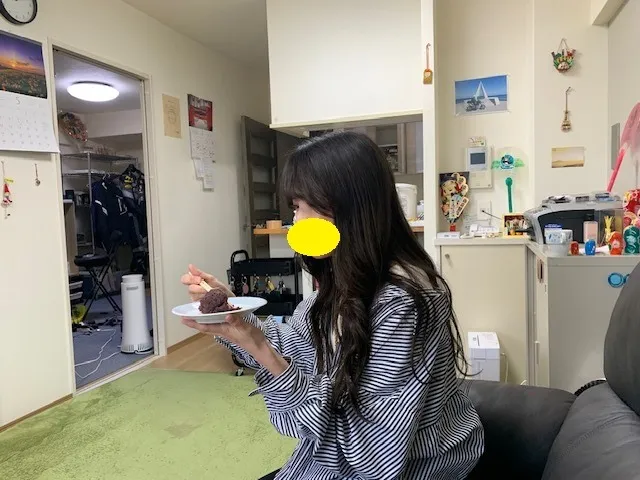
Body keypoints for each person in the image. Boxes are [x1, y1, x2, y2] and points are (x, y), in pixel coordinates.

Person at [180, 131, 484, 479]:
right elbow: (296, 345)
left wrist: (264, 352)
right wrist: (234, 315)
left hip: (413, 466)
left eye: (302, 206)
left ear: (347, 207)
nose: (296, 223)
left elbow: (377, 458)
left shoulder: (403, 302)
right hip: (338, 457)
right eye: (294, 207)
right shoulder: (340, 284)